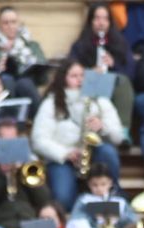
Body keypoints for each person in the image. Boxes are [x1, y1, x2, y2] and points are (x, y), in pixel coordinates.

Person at [30, 61, 126, 209]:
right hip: (63, 160)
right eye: (74, 76)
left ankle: (113, 195)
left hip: (93, 156)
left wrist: (103, 127)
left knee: (108, 151)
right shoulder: (51, 103)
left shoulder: (100, 99)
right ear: (63, 79)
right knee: (64, 199)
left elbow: (118, 136)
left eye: (82, 75)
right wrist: (66, 153)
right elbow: (39, 140)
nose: (80, 80)